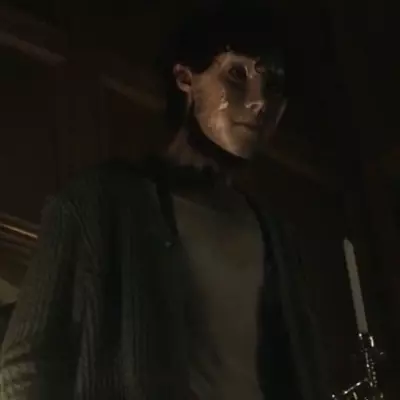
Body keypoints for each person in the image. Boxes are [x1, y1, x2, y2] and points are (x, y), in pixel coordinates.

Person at [0, 4, 328, 400]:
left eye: (273, 85)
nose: (260, 101)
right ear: (186, 79)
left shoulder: (277, 236)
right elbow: (27, 363)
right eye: (237, 74)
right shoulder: (99, 201)